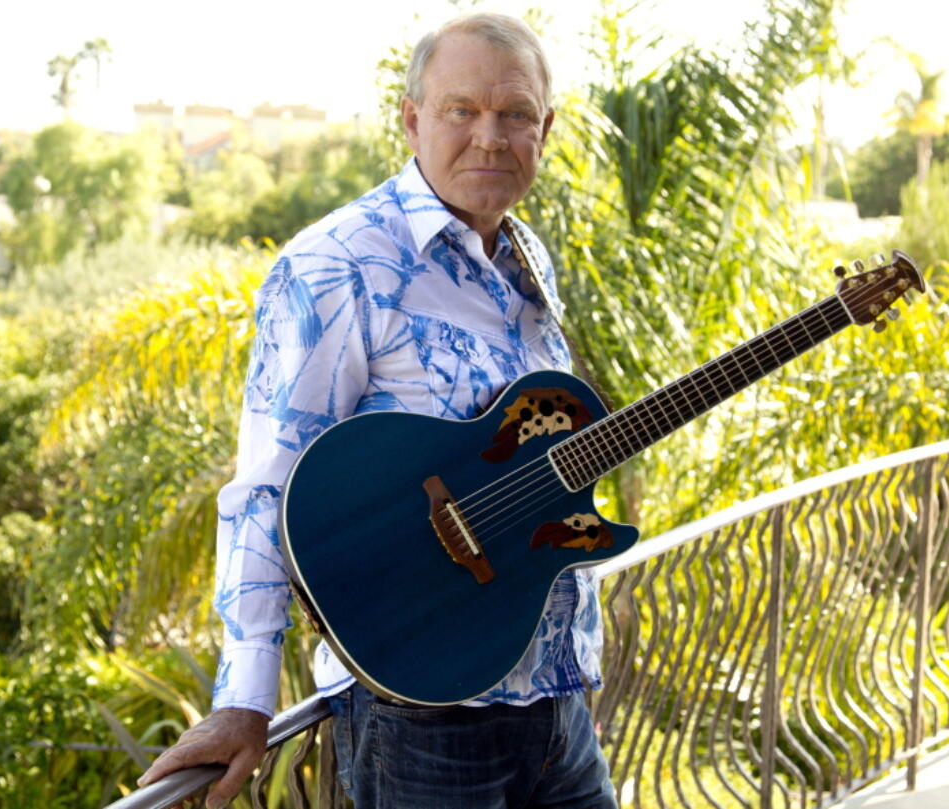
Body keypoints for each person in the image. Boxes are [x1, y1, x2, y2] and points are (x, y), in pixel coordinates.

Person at [139, 12, 617, 809]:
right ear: (412, 118)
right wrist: (245, 696)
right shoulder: (339, 264)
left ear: (547, 127)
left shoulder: (528, 261)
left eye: (516, 115)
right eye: (462, 110)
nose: (491, 138)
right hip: (424, 724)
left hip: (556, 703)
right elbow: (268, 483)